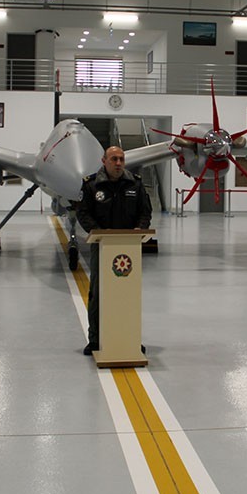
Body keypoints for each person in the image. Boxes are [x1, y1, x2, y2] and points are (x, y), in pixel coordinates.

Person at [75, 146, 152, 355]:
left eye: (121, 159)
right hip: (102, 247)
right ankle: (95, 339)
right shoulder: (91, 185)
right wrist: (99, 232)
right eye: (114, 159)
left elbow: (145, 211)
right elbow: (83, 213)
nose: (118, 163)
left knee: (128, 294)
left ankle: (130, 338)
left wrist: (140, 228)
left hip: (129, 248)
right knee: (98, 294)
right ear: (104, 161)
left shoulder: (135, 184)